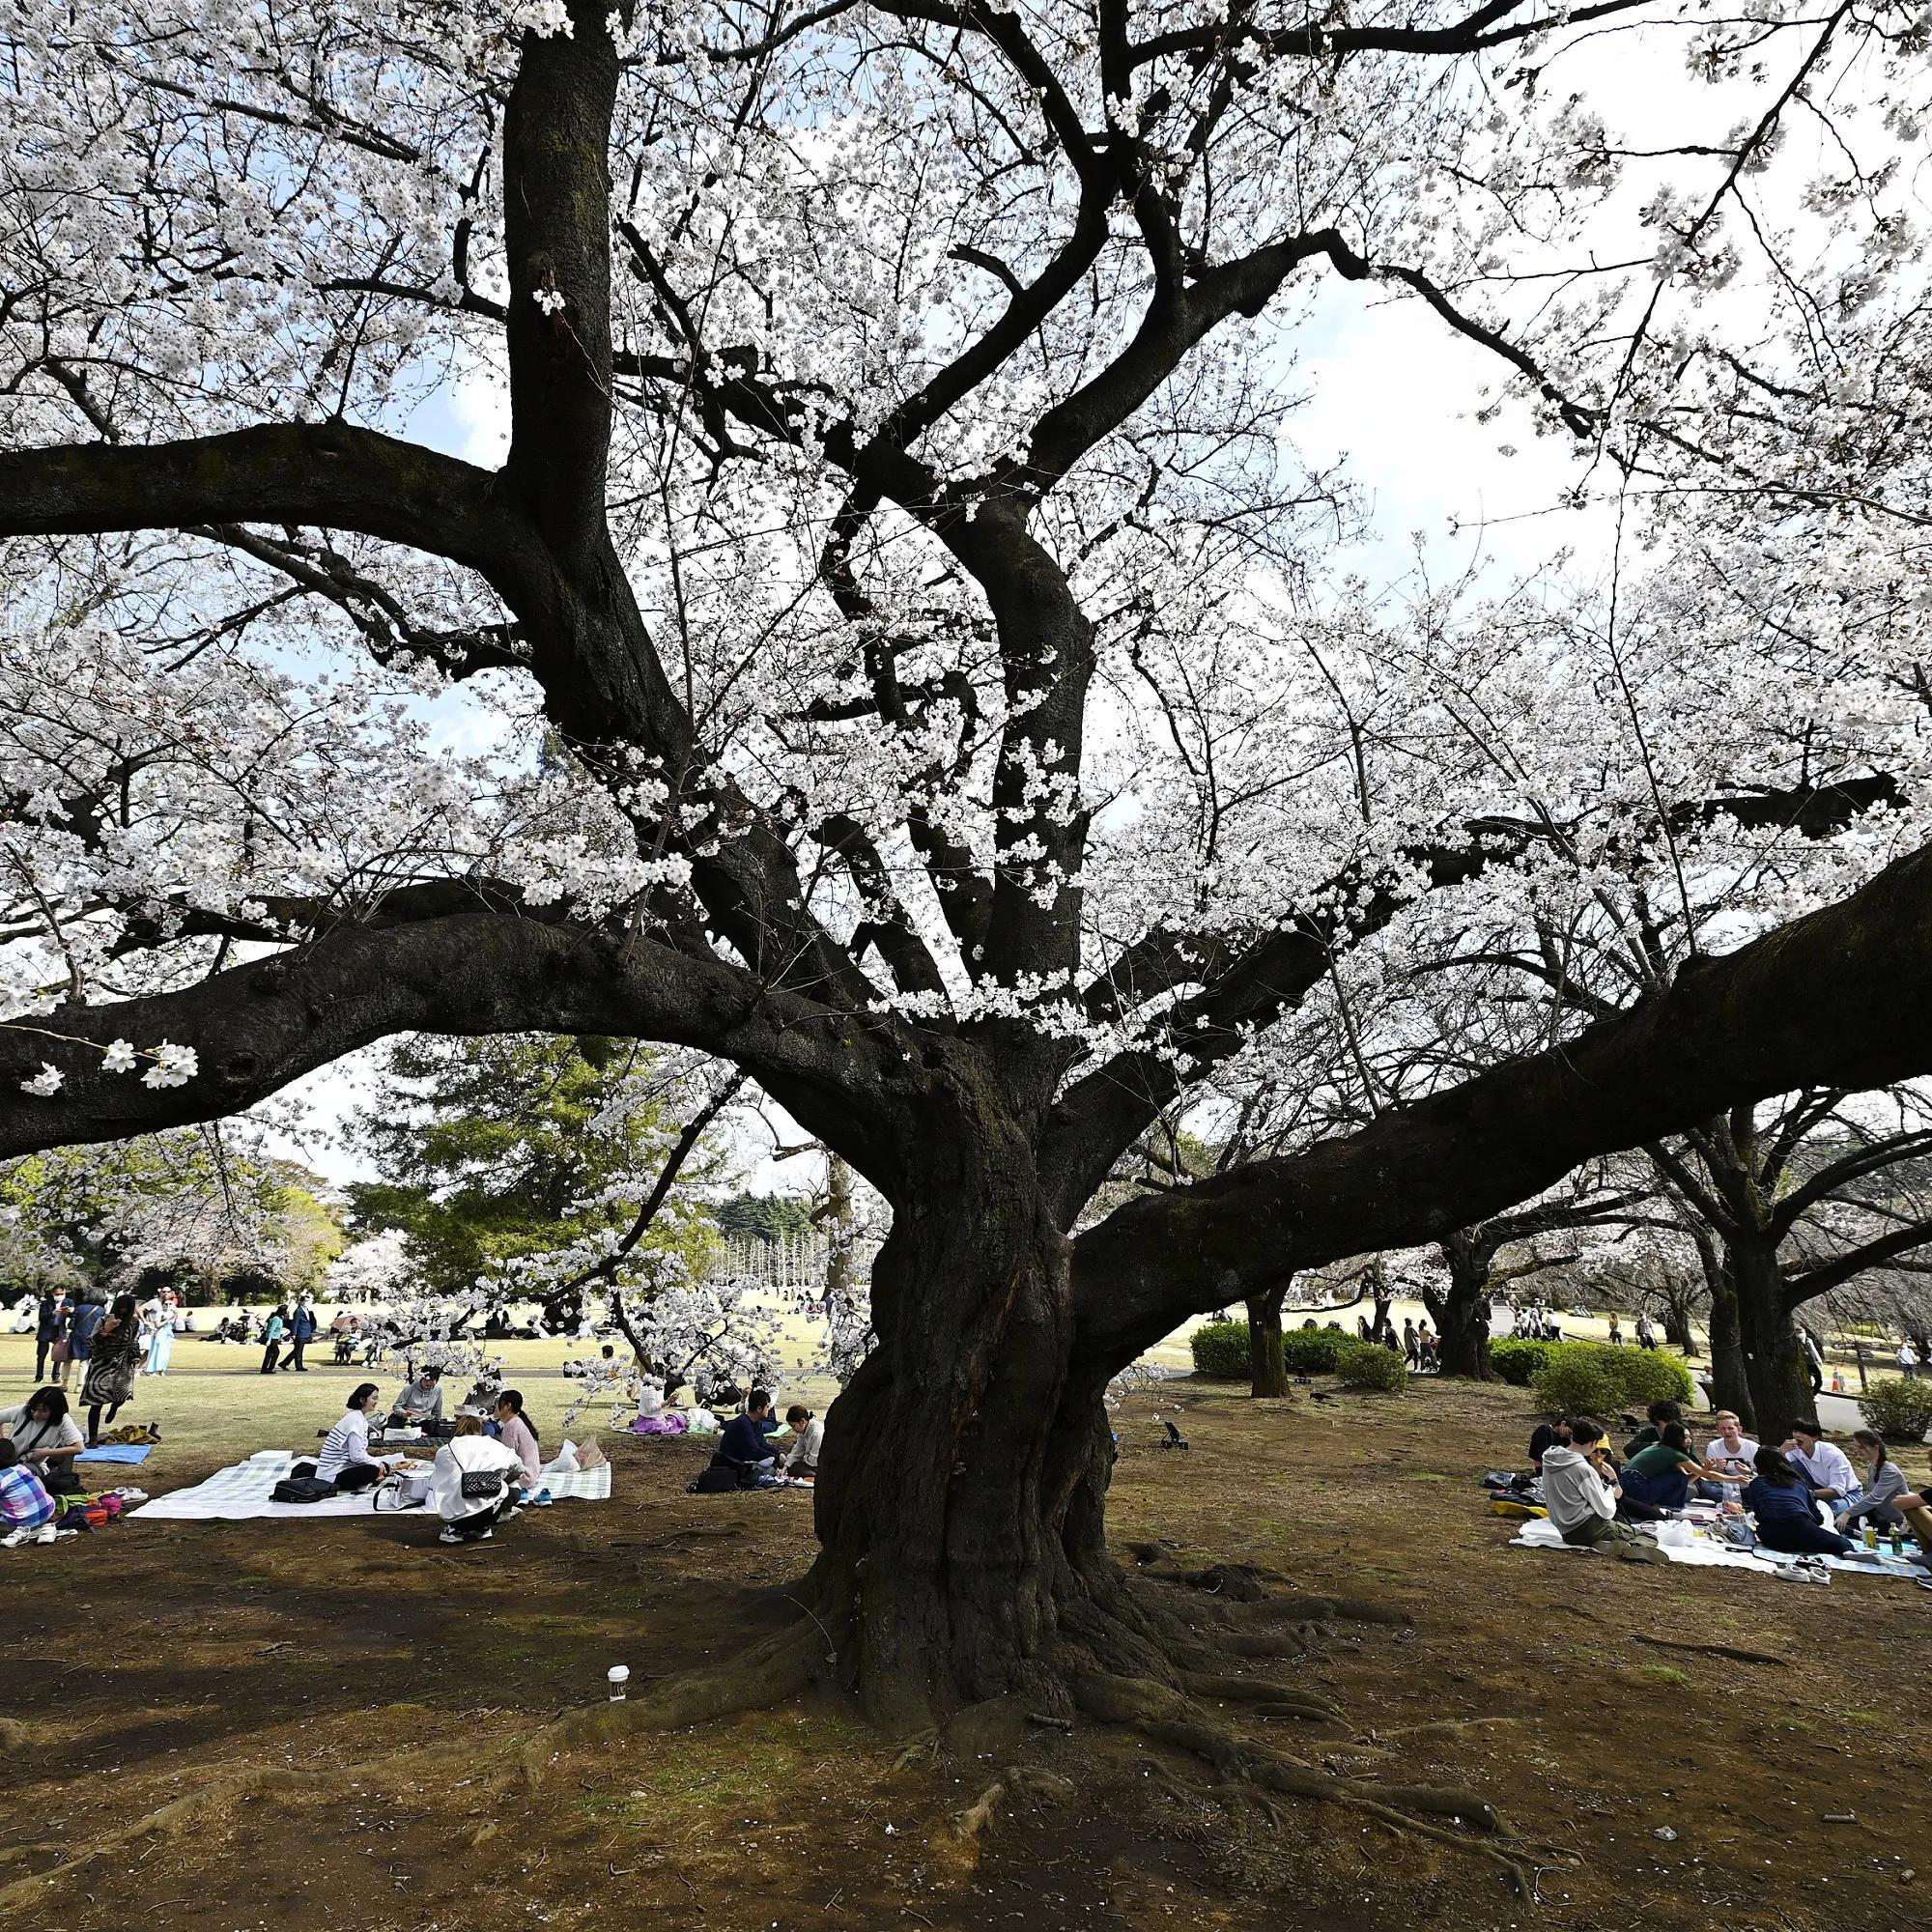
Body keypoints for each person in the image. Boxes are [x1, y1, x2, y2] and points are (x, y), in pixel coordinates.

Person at [1539, 1417, 1668, 1561]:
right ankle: (1630, 1548)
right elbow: (1606, 1511)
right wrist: (1609, 1489)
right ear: (1593, 1443)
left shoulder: (1550, 1458)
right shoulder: (1583, 1469)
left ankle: (1604, 1544)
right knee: (1647, 1536)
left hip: (1566, 1532)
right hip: (1588, 1527)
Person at [1742, 1444, 1854, 1557]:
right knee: (1842, 1543)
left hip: (1773, 1538)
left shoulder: (1756, 1484)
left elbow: (1759, 1516)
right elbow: (1818, 1518)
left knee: (1761, 1529)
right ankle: (1849, 1553)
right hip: (1801, 1527)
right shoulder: (1799, 1483)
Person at [429, 1414, 526, 1545]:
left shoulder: (445, 1450)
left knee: (444, 1487)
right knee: (513, 1487)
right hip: (488, 1512)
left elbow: (434, 1482)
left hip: (456, 1516)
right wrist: (503, 1479)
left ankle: (455, 1530)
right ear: (480, 1429)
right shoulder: (493, 1444)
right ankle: (483, 1527)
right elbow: (519, 1468)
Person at [1834, 1431, 1932, 1550]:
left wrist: (1848, 1513)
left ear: (1876, 1448)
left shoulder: (1889, 1471)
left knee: (1848, 1524)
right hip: (1879, 1515)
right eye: (1856, 1447)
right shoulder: (1872, 1468)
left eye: (1862, 1447)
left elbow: (1875, 1498)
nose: (1857, 1451)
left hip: (1895, 1524)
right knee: (1840, 1522)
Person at [1621, 1423, 1736, 1511]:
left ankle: (1662, 1505)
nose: (1689, 1441)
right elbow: (1708, 1476)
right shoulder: (1672, 1453)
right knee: (1682, 1479)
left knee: (1680, 1478)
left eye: (1690, 1437)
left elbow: (1685, 1481)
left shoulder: (1664, 1449)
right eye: (1685, 1437)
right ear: (1675, 1438)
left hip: (1630, 1487)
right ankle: (1669, 1507)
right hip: (1634, 1487)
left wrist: (1704, 1469)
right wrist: (1736, 1479)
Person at [316, 1383, 401, 1492]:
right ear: (362, 1399)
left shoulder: (359, 1417)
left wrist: (379, 1464)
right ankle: (373, 1479)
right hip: (331, 1474)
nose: (376, 1402)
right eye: (374, 1398)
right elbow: (356, 1456)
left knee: (384, 1466)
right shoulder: (355, 1420)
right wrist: (377, 1464)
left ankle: (374, 1478)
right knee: (372, 1470)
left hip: (345, 1466)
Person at [80, 1293, 141, 1445]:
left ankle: (114, 1407)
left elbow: (134, 1341)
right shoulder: (103, 1320)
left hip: (123, 1363)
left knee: (122, 1395)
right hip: (101, 1364)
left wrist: (135, 1356)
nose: (122, 1311)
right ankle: (93, 1439)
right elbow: (90, 1343)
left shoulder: (134, 1323)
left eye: (126, 1309)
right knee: (96, 1403)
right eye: (120, 1308)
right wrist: (105, 1331)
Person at [0, 1388, 86, 1493]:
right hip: (6, 1462)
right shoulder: (22, 1411)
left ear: (55, 1411)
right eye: (34, 1409)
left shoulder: (63, 1420)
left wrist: (43, 1453)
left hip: (31, 1466)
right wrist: (3, 1444)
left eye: (43, 1411)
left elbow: (79, 1447)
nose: (36, 1414)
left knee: (15, 1478)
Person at [1784, 1421, 1861, 1511]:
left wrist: (1808, 1493)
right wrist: (1781, 1452)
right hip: (1818, 1487)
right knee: (1794, 1465)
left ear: (1815, 1437)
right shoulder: (1795, 1449)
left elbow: (1838, 1490)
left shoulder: (1832, 1455)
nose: (1797, 1435)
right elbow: (1777, 1466)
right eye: (1795, 1431)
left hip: (1847, 1494)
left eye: (1803, 1433)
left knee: (1827, 1512)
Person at [0, 1439, 58, 1547]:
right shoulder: (23, 1468)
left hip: (23, 1521)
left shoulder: (1, 1478)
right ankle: (45, 1528)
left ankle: (18, 1532)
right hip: (48, 1511)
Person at [1695, 1410, 1760, 1502]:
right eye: (1723, 1428)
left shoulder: (1754, 1447)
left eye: (1730, 1428)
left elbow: (1763, 1475)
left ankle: (1736, 1501)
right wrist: (1717, 1469)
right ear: (1718, 1430)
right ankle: (1737, 1501)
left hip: (1749, 1486)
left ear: (1739, 1429)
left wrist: (1749, 1472)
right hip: (1726, 1487)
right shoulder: (1713, 1446)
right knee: (1706, 1485)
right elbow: (1710, 1474)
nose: (1727, 1432)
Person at [493, 1390, 541, 1488]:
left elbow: (507, 1458)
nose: (495, 1408)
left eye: (497, 1404)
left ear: (507, 1406)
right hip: (531, 1474)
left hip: (523, 1476)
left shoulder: (511, 1425)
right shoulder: (518, 1420)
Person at [65, 1291, 104, 1392]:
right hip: (91, 1337)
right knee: (84, 1362)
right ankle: (79, 1386)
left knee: (67, 1361)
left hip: (76, 1336)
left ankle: (64, 1383)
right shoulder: (101, 1310)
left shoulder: (79, 1308)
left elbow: (71, 1325)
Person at [390, 1366, 446, 1430]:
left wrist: (437, 1424)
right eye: (426, 1380)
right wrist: (404, 1413)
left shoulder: (438, 1389)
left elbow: (437, 1411)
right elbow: (397, 1407)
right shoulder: (411, 1387)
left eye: (432, 1380)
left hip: (425, 1421)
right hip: (407, 1419)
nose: (428, 1383)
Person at [33, 1290, 65, 1384]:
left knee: (59, 1355)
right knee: (41, 1355)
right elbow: (41, 1317)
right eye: (57, 1294)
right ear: (53, 1293)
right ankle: (39, 1376)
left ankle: (55, 1376)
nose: (59, 1296)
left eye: (61, 1294)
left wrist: (71, 1312)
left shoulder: (67, 1302)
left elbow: (72, 1316)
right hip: (46, 1331)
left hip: (58, 1331)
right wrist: (53, 1313)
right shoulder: (45, 1303)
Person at [783, 1404, 823, 1479]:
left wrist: (804, 1456)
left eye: (793, 1426)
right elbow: (797, 1450)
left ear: (802, 1421)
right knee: (791, 1465)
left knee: (795, 1468)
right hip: (809, 1460)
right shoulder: (803, 1430)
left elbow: (814, 1460)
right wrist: (785, 1467)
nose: (793, 1429)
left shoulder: (817, 1434)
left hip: (818, 1465)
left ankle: (817, 1476)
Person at [140, 1294, 174, 1377]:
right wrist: (167, 1319)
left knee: (165, 1354)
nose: (168, 1306)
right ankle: (151, 1370)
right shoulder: (160, 1313)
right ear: (162, 1305)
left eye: (170, 1304)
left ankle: (161, 1370)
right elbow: (157, 1325)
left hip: (167, 1335)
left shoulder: (171, 1313)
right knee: (158, 1352)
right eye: (166, 1304)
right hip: (160, 1334)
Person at [286, 1295, 317, 1372]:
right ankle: (299, 1366)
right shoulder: (299, 1311)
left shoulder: (307, 1310)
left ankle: (284, 1363)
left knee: (297, 1350)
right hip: (300, 1332)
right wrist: (294, 1333)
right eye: (307, 1301)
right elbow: (295, 1322)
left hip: (306, 1332)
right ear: (302, 1302)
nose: (309, 1303)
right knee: (299, 1351)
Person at [260, 1304, 289, 1376]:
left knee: (269, 1354)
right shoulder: (276, 1319)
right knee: (275, 1352)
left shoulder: (279, 1318)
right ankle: (270, 1368)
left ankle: (265, 1368)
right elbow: (271, 1329)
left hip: (275, 1338)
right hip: (272, 1338)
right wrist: (269, 1340)